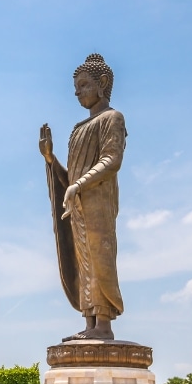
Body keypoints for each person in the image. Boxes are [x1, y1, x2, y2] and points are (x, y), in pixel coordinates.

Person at [39, 54, 127, 341]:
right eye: (75, 87)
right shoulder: (78, 130)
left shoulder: (111, 118)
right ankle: (90, 322)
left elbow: (112, 160)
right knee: (84, 262)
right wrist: (51, 159)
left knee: (100, 258)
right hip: (77, 207)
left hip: (98, 203)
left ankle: (104, 323)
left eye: (84, 85)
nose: (77, 92)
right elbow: (69, 179)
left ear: (102, 83)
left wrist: (80, 186)